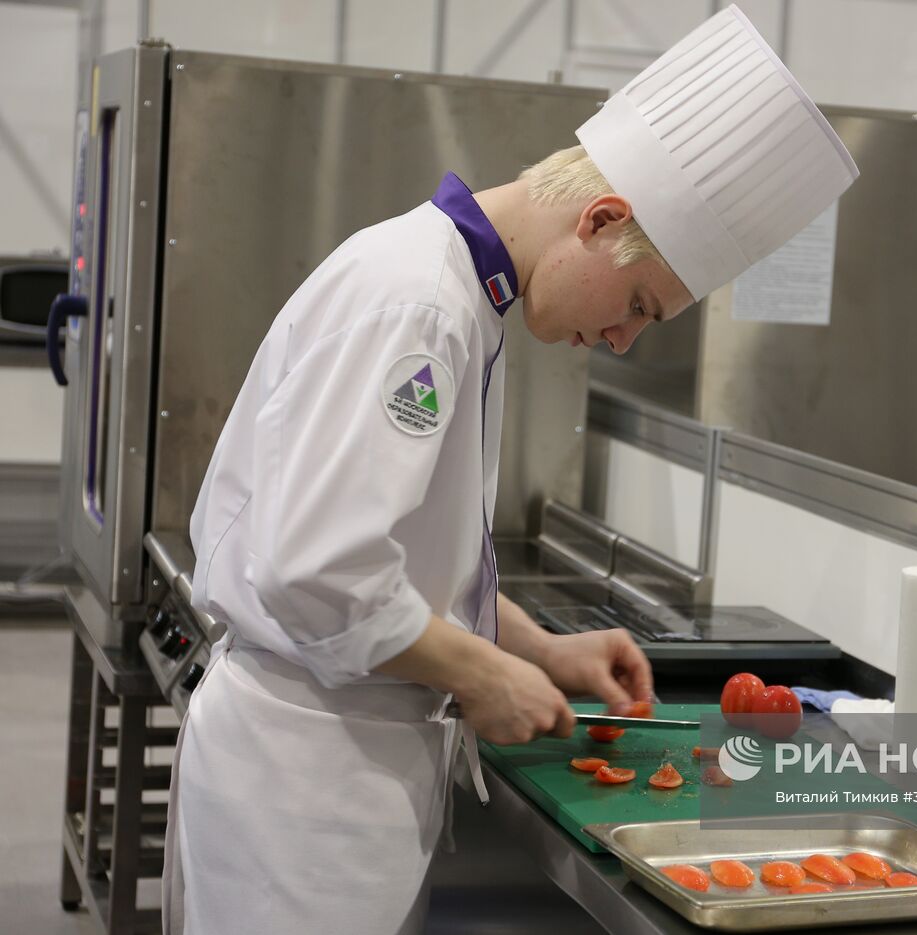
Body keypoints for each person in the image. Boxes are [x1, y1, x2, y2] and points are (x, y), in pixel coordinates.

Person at [161, 7, 858, 934]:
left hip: (343, 767)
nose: (619, 338)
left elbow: (404, 551)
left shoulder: (463, 299)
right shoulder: (418, 305)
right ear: (602, 218)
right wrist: (483, 671)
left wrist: (537, 649)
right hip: (302, 788)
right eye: (639, 305)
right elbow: (315, 567)